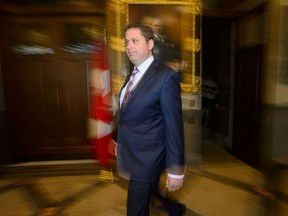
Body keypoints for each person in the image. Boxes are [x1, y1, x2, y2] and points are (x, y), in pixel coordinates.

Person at [115, 22, 186, 216]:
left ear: (150, 44)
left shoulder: (166, 77)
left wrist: (175, 168)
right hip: (133, 152)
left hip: (148, 158)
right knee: (151, 192)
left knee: (135, 210)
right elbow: (128, 114)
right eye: (127, 41)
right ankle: (175, 208)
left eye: (135, 41)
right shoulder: (132, 75)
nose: (129, 46)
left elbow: (174, 126)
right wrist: (118, 141)